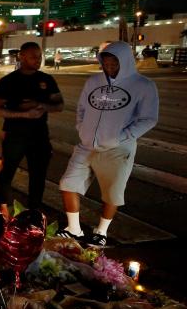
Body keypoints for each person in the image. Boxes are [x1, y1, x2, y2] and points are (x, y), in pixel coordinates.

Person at [57, 42, 158, 246]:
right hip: (87, 144)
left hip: (117, 148)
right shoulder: (93, 81)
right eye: (105, 63)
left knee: (112, 192)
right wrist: (82, 127)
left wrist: (121, 137)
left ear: (126, 61)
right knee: (68, 183)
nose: (109, 67)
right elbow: (82, 108)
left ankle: (101, 231)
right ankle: (74, 229)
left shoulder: (143, 85)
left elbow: (149, 118)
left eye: (114, 63)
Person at [0, 42, 64, 218]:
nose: (37, 60)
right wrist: (24, 114)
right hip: (15, 134)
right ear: (22, 57)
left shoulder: (47, 80)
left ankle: (34, 212)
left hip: (39, 135)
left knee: (38, 175)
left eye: (39, 56)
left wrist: (41, 105)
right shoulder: (8, 81)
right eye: (33, 56)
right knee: (7, 172)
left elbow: (59, 105)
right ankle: (4, 209)